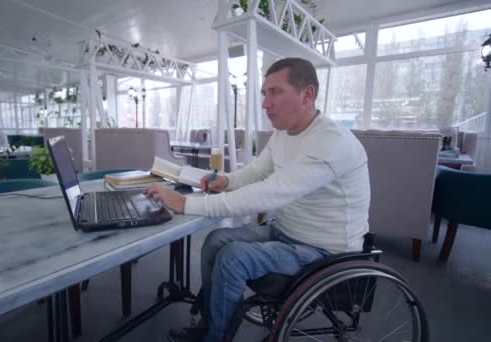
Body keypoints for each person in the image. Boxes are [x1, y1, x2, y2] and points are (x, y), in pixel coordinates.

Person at [144, 57, 370, 342]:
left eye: (275, 92)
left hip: (325, 252)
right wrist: (226, 180)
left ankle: (216, 338)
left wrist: (184, 203)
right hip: (287, 232)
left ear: (307, 94)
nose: (265, 103)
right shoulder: (283, 134)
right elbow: (257, 172)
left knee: (232, 257)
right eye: (264, 93)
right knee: (216, 240)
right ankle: (210, 323)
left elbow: (267, 192)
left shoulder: (330, 142)